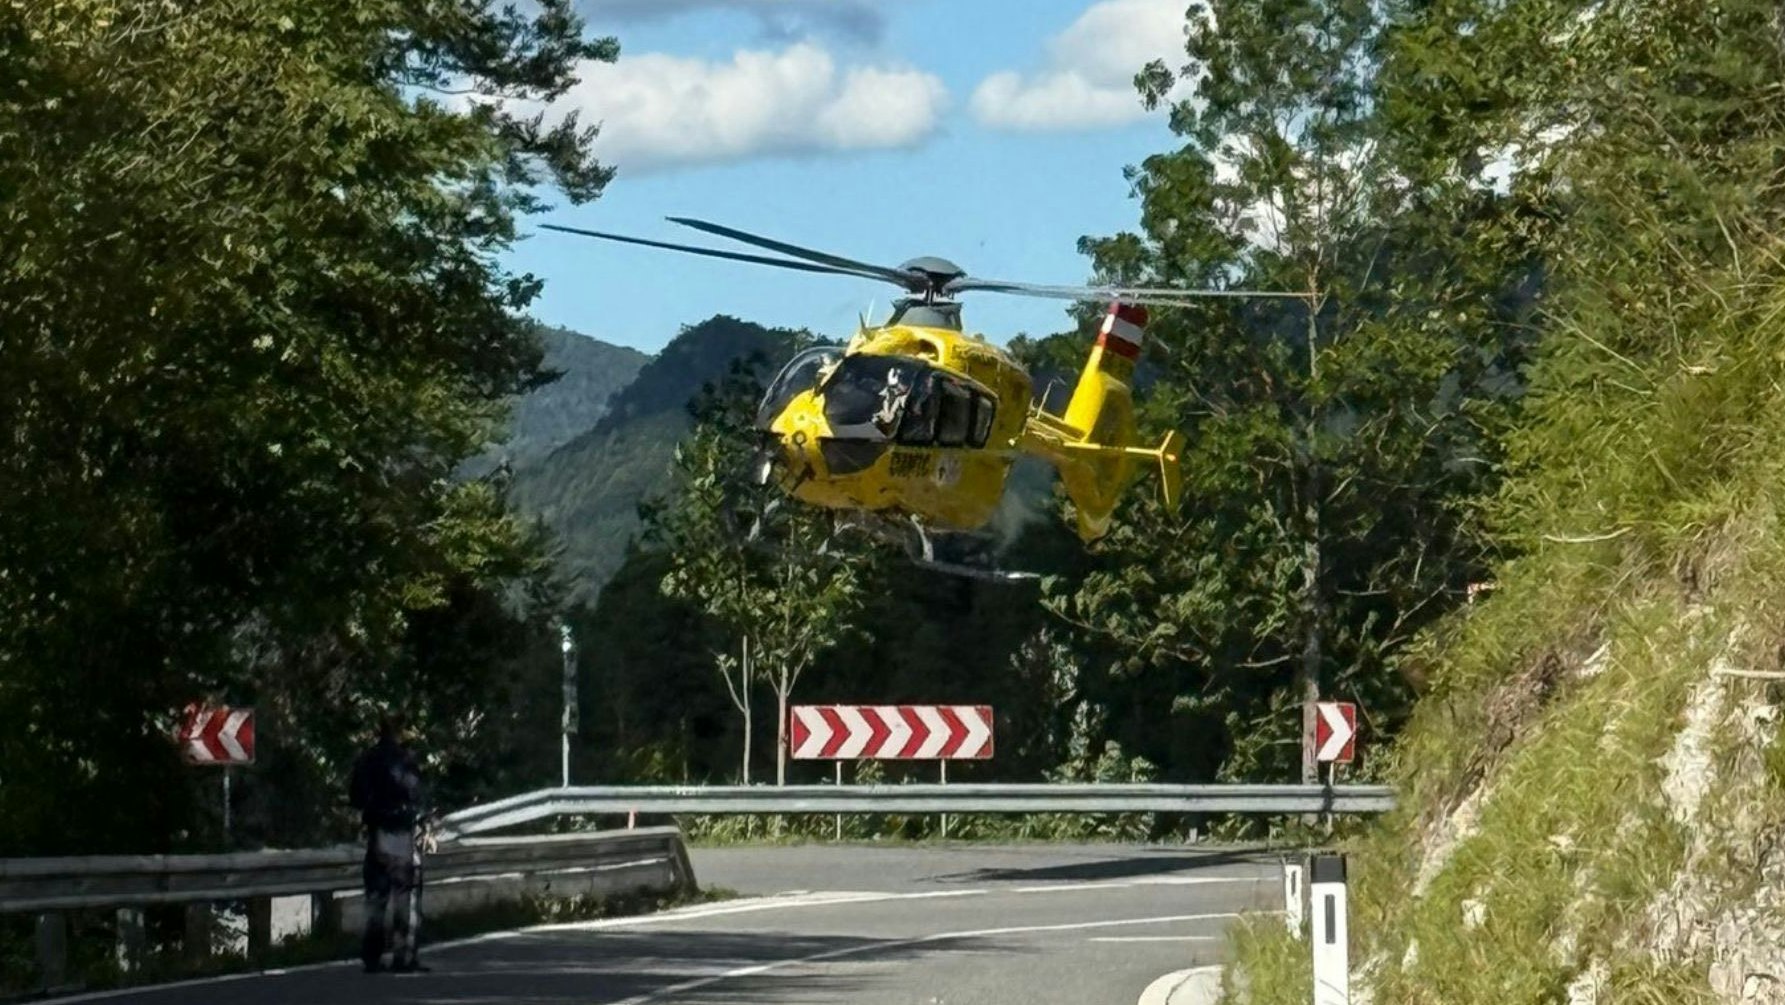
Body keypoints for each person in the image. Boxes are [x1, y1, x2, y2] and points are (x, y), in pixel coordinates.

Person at [348, 713, 429, 974]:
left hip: (376, 833)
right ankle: (403, 956)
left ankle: (372, 957)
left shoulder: (366, 760)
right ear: (398, 732)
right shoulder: (405, 761)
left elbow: (355, 796)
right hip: (401, 834)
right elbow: (417, 795)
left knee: (376, 896)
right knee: (406, 894)